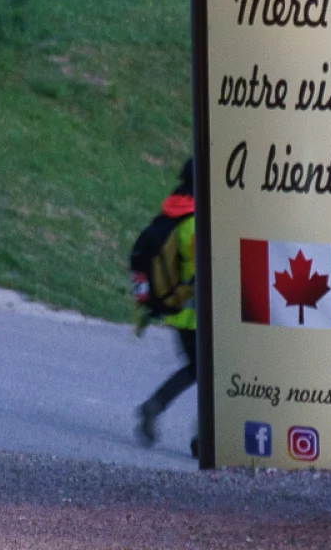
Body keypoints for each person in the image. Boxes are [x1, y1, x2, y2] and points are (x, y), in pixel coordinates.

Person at [134, 159, 197, 454]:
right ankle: (205, 438)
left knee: (199, 370)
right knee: (213, 373)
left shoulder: (171, 213)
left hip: (178, 312)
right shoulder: (195, 223)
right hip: (200, 314)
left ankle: (155, 406)